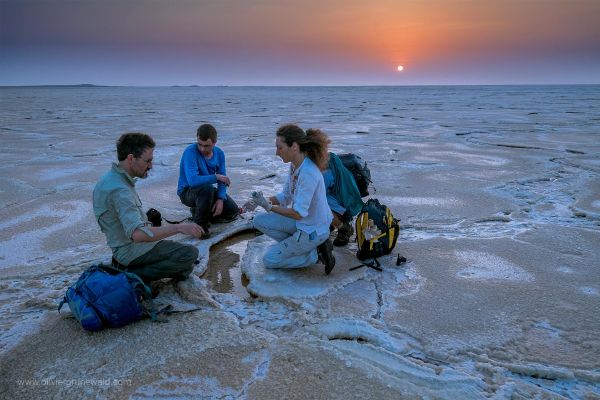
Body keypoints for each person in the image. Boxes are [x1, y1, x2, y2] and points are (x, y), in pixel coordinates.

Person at [93, 132, 204, 284]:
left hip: (120, 246)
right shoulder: (120, 191)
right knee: (189, 254)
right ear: (131, 158)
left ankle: (133, 268)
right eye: (148, 161)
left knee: (153, 218)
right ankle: (131, 276)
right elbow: (138, 235)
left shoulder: (111, 179)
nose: (151, 166)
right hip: (130, 251)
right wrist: (179, 228)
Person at [245, 123, 336, 274]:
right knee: (258, 221)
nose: (276, 152)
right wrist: (259, 201)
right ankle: (299, 246)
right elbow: (285, 196)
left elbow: (298, 213)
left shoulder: (308, 173)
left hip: (313, 229)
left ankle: (315, 255)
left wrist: (269, 207)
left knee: (269, 260)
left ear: (294, 146)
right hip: (302, 223)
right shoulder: (295, 165)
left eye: (279, 147)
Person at [177, 124, 239, 237]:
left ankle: (198, 212)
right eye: (199, 144)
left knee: (233, 212)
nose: (202, 149)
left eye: (206, 146)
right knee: (207, 189)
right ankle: (200, 225)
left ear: (214, 143)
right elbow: (192, 181)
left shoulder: (219, 154)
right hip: (187, 192)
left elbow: (222, 180)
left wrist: (220, 199)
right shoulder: (190, 152)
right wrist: (216, 177)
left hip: (206, 191)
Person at [322, 152, 364, 246]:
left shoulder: (325, 170)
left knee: (319, 205)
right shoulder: (325, 161)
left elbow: (318, 195)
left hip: (344, 202)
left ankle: (344, 227)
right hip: (338, 197)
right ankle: (331, 223)